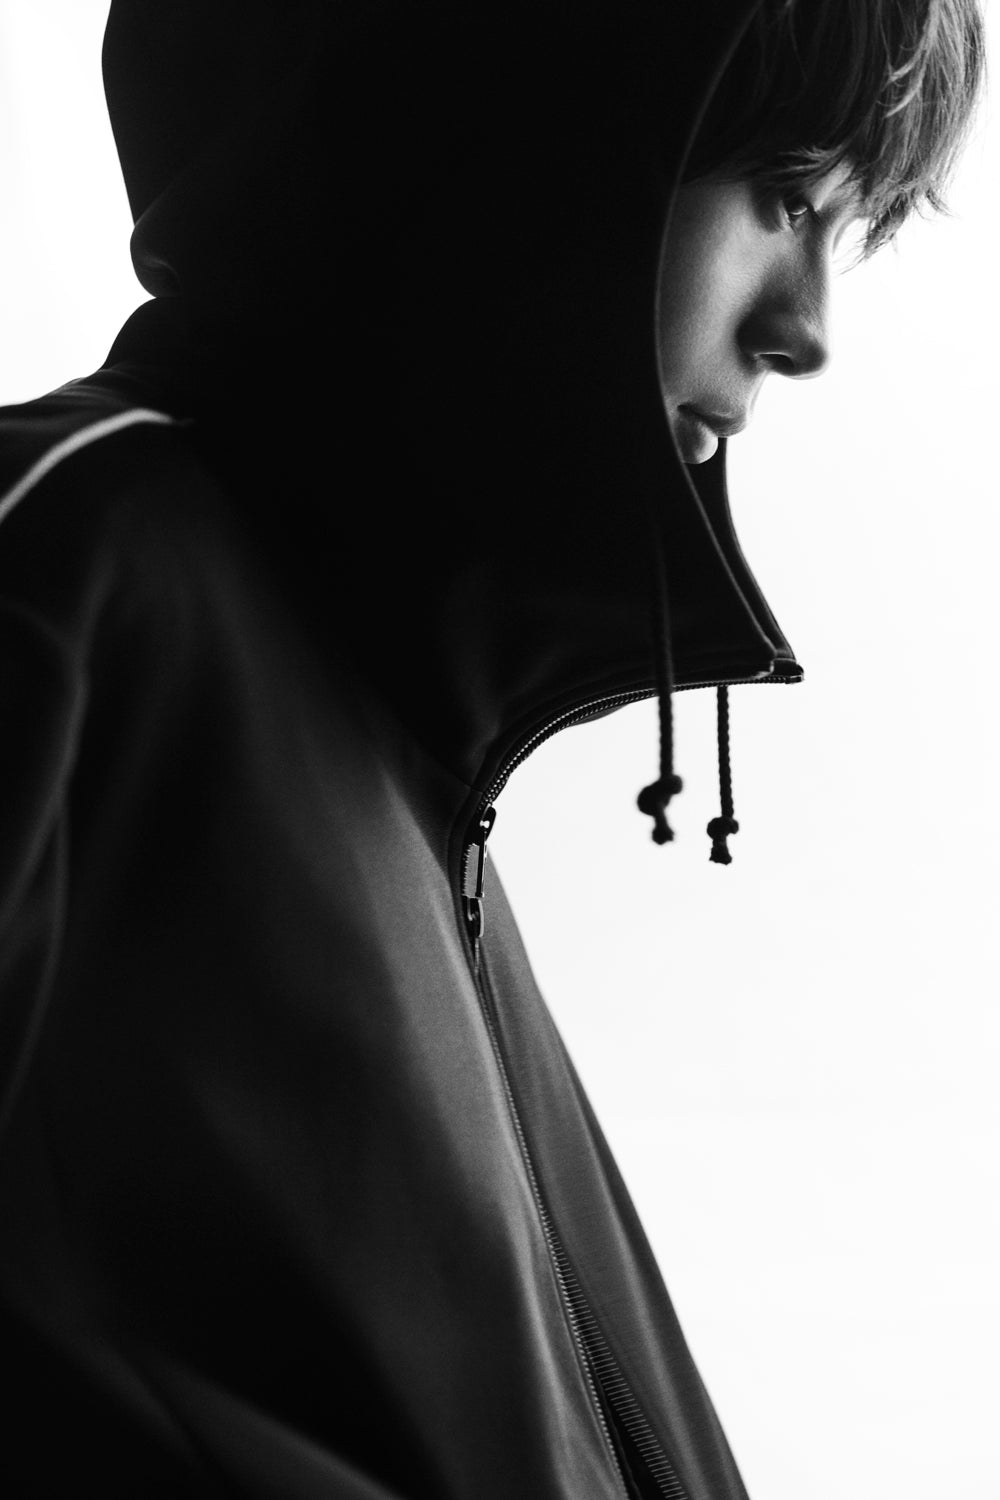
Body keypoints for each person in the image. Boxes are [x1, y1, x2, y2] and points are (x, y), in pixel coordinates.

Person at [0, 1, 983, 1496]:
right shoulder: (62, 565)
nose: (807, 332)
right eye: (785, 195)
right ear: (531, 127)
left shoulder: (409, 756)